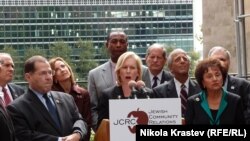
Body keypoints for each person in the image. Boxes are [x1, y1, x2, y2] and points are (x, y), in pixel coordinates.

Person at [7, 55, 87, 141]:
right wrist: (59, 140)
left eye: (50, 72)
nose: (49, 77)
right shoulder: (16, 108)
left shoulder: (67, 99)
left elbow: (79, 120)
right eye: (43, 73)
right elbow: (24, 135)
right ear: (28, 77)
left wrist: (78, 133)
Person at [88, 30, 128, 131]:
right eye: (114, 41)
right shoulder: (94, 74)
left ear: (127, 45)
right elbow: (93, 107)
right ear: (107, 45)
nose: (118, 45)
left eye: (122, 42)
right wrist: (100, 129)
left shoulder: (143, 71)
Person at [97, 51, 149, 128]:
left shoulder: (147, 94)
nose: (128, 71)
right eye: (124, 67)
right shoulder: (107, 95)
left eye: (132, 68)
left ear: (138, 72)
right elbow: (101, 126)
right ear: (119, 71)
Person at [185, 58, 245, 124]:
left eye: (217, 75)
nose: (215, 79)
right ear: (203, 82)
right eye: (209, 76)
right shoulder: (193, 102)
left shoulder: (235, 100)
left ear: (223, 78)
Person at [49, 57, 92, 141]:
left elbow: (87, 122)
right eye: (57, 69)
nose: (62, 70)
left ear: (68, 68)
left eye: (63, 66)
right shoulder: (51, 96)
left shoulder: (83, 94)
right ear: (54, 77)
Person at [151, 48, 201, 118]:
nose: (182, 61)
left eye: (185, 59)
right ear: (170, 68)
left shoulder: (201, 88)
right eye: (178, 59)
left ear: (189, 64)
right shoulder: (159, 92)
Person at [208, 46, 250, 124]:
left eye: (222, 59)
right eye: (215, 60)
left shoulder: (243, 85)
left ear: (229, 62)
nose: (219, 62)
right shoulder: (200, 86)